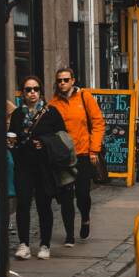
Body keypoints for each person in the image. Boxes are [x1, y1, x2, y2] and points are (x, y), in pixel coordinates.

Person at [9, 76, 67, 260]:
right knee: (23, 204)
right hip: (23, 166)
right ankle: (24, 244)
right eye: (28, 89)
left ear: (40, 91)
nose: (32, 93)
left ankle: (45, 244)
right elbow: (13, 137)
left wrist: (45, 142)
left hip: (44, 167)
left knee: (44, 206)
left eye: (35, 89)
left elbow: (63, 138)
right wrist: (11, 143)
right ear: (22, 93)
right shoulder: (18, 114)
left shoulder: (51, 113)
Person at [48, 68, 105, 245]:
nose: (63, 83)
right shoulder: (53, 103)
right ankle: (69, 235)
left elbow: (98, 122)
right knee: (66, 197)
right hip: (63, 157)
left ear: (73, 80)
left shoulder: (84, 97)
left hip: (82, 153)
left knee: (82, 194)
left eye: (66, 79)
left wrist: (94, 150)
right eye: (59, 80)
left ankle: (85, 217)